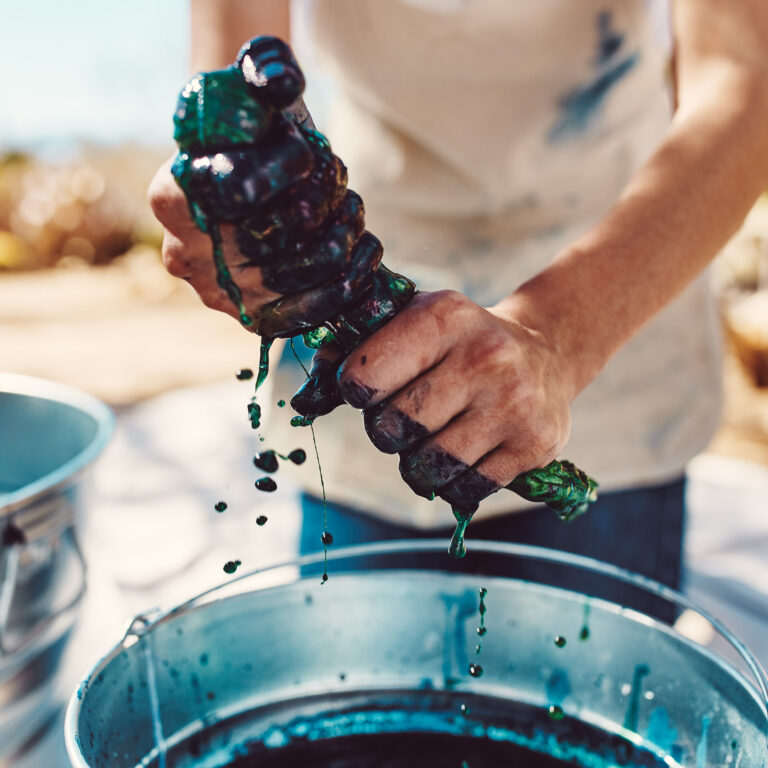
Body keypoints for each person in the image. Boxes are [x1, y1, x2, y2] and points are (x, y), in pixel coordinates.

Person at [149, 0, 768, 604]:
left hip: (614, 325)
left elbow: (745, 85)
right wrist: (229, 202)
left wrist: (556, 337)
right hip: (359, 358)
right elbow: (234, 104)